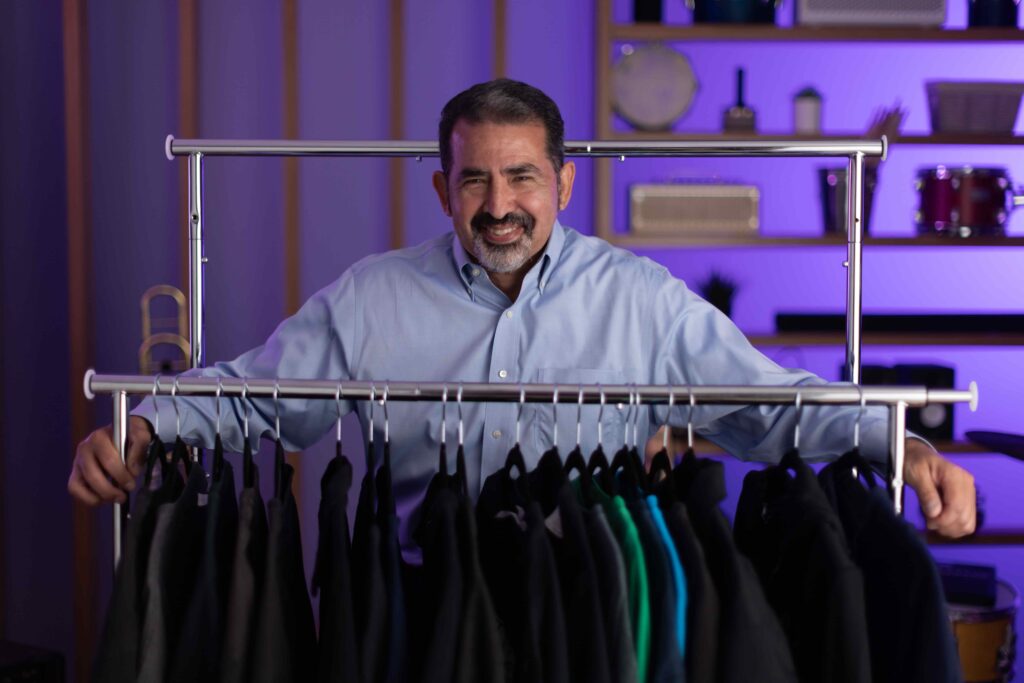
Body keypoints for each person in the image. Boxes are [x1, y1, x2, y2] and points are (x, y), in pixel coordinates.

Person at [69, 79, 976, 546]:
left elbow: (772, 406)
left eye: (522, 177)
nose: (498, 204)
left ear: (564, 182)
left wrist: (904, 444)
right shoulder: (370, 297)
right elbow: (255, 394)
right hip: (417, 606)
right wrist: (145, 422)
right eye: (475, 179)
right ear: (442, 188)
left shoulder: (643, 301)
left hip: (603, 608)